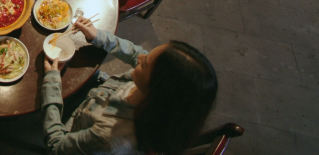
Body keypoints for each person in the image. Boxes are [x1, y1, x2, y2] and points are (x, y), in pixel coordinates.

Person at [41, 17, 218, 155]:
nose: (140, 58)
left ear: (156, 90)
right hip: (99, 93)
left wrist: (51, 80)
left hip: (76, 124)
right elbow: (136, 53)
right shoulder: (162, 101)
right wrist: (98, 36)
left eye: (145, 64)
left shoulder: (109, 136)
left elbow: (56, 146)